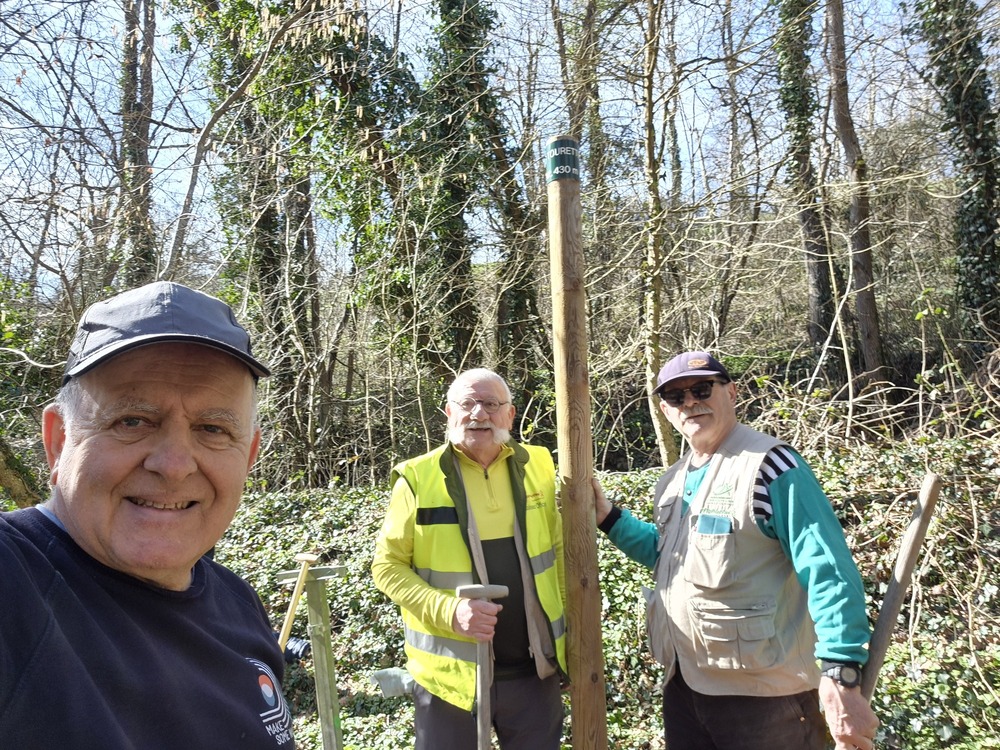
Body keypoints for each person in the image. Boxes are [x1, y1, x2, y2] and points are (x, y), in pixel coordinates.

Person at [0, 281, 294, 748]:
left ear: (249, 456)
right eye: (132, 421)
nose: (174, 465)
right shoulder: (13, 580)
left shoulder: (240, 605)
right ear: (58, 441)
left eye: (212, 428)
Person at [594, 350, 880, 750]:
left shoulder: (771, 466)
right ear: (665, 410)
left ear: (731, 392)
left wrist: (841, 669)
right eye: (676, 396)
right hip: (686, 687)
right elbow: (670, 559)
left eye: (701, 389)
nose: (690, 402)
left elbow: (826, 568)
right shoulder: (672, 481)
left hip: (765, 700)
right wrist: (609, 518)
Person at [372, 368, 567, 749]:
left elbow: (558, 554)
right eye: (467, 404)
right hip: (449, 682)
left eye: (491, 404)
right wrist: (450, 612)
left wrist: (566, 650)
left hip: (533, 675)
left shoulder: (539, 465)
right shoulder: (417, 477)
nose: (478, 414)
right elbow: (387, 566)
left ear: (510, 414)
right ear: (449, 413)